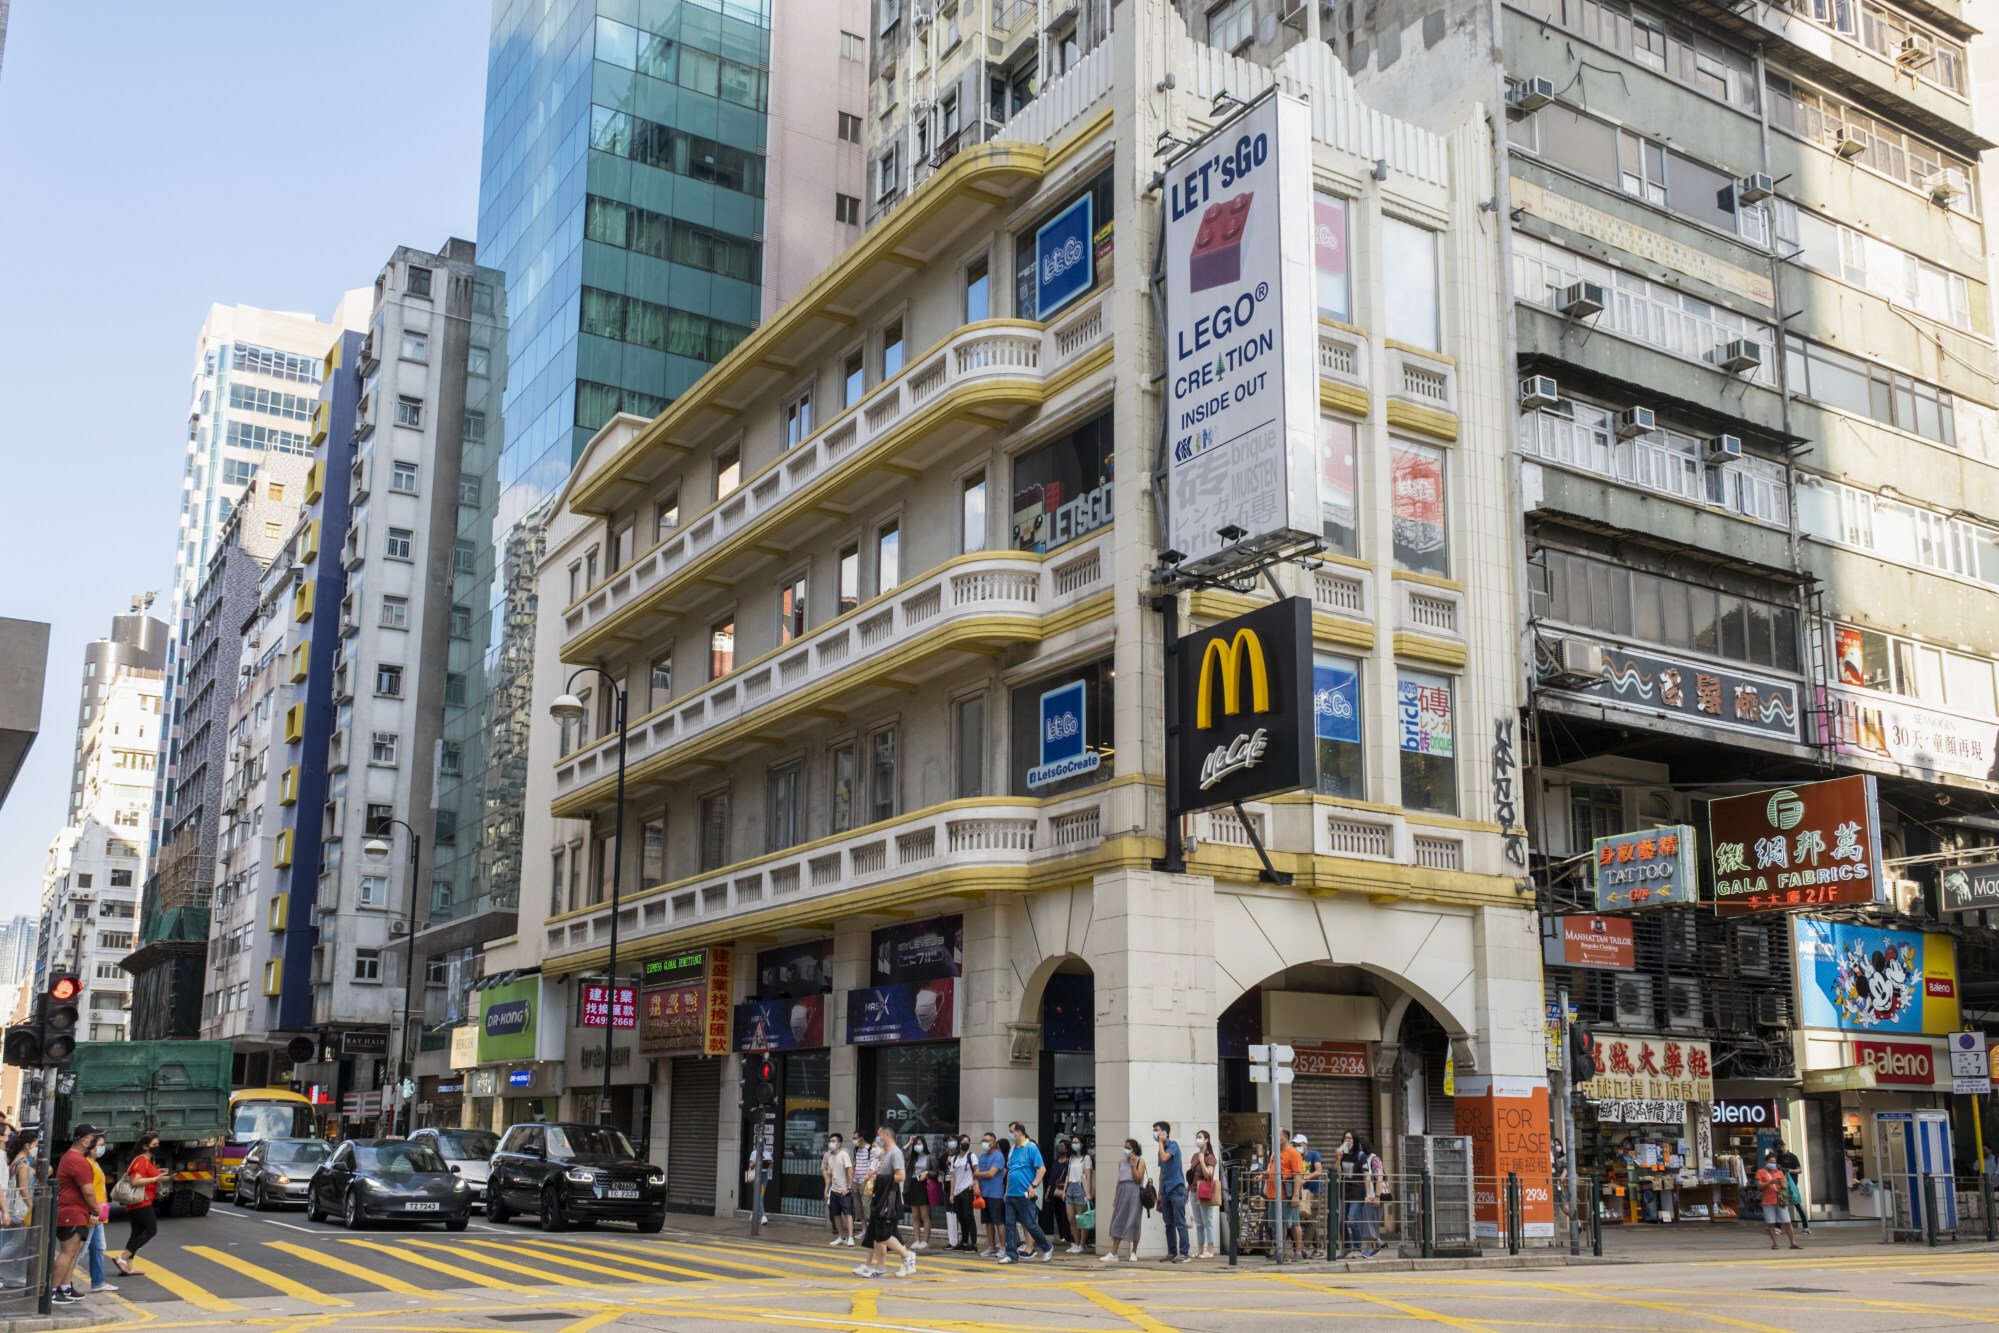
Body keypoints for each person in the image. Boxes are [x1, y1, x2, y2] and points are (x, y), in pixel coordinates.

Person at [855, 1125, 918, 1279]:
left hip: (890, 1199)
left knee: (883, 1234)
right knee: (878, 1235)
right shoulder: (885, 1154)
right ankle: (881, 1269)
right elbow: (886, 1174)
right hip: (881, 1197)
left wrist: (879, 1177)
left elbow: (901, 1176)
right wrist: (875, 1174)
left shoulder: (895, 1154)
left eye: (879, 1135)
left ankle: (907, 1255)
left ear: (886, 1136)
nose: (877, 1138)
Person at [50, 1124, 101, 1305]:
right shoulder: (76, 1160)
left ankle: (65, 1286)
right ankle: (53, 1290)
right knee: (67, 1251)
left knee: (74, 1250)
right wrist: (95, 1208)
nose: (97, 1142)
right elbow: (87, 1190)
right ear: (83, 1140)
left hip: (76, 1211)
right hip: (70, 1211)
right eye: (94, 1138)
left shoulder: (75, 1157)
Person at [1000, 1122, 1053, 1264]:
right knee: (1010, 1224)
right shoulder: (1013, 1149)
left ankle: (1047, 1247)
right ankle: (1011, 1255)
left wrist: (1033, 1186)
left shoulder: (1031, 1148)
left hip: (1025, 1194)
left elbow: (1042, 1169)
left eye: (1012, 1131)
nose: (1010, 1135)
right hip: (1011, 1194)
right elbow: (1011, 1171)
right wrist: (1006, 1191)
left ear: (1020, 1132)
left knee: (1029, 1224)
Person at [113, 1133, 161, 1277]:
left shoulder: (146, 1161)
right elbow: (135, 1181)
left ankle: (128, 1267)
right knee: (151, 1230)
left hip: (139, 1201)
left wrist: (158, 1175)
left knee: (137, 1233)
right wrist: (155, 1178)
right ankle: (122, 1257)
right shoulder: (141, 1160)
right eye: (154, 1145)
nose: (157, 1147)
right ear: (146, 1146)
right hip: (141, 1201)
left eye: (158, 1144)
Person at [0, 1130, 38, 1289]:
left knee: (15, 1242)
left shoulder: (15, 1160)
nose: (37, 1148)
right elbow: (23, 1187)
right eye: (36, 1145)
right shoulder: (23, 1163)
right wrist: (30, 1205)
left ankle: (10, 1275)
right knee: (17, 1242)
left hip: (14, 1207)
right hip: (19, 1209)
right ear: (27, 1145)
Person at [1102, 1138, 1145, 1263]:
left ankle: (1133, 1252)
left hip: (1135, 1191)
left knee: (1134, 1220)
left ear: (1134, 1149)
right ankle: (1113, 1252)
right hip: (1122, 1191)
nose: (1125, 1150)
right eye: (1125, 1147)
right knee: (1118, 1220)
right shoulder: (1121, 1162)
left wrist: (1132, 1164)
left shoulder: (1140, 1161)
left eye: (1128, 1147)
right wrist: (1116, 1197)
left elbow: (1138, 1179)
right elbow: (1119, 1180)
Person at [1265, 1130, 1305, 1258]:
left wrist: (1295, 1194)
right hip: (1273, 1194)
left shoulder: (1294, 1153)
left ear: (1285, 1137)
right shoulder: (1275, 1153)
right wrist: (1262, 1175)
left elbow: (1297, 1175)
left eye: (1278, 1135)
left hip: (1286, 1194)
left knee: (1294, 1223)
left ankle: (1298, 1252)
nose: (1275, 1138)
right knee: (1278, 1223)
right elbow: (1270, 1169)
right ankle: (1280, 1251)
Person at [1153, 1121, 1188, 1263]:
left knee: (1180, 1221)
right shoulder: (1160, 1148)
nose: (1155, 1133)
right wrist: (1160, 1193)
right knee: (1168, 1223)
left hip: (1176, 1188)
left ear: (1165, 1132)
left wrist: (1161, 1143)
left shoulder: (1173, 1145)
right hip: (1166, 1189)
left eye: (1157, 1130)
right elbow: (1162, 1171)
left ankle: (1184, 1253)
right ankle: (1172, 1252)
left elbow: (1165, 1157)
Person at [85, 1136, 115, 1294]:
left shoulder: (94, 1163)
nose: (103, 1148)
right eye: (101, 1145)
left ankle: (98, 1282)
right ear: (91, 1147)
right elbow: (87, 1190)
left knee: (98, 1247)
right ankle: (61, 1284)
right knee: (80, 1250)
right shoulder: (88, 1164)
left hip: (98, 1213)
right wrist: (93, 1210)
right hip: (93, 1213)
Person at [1348, 1134, 1385, 1259]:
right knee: (1365, 1224)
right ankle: (1379, 1244)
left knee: (1368, 1224)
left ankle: (1369, 1250)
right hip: (1364, 1196)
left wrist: (1377, 1197)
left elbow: (1379, 1177)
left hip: (1373, 1196)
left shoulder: (1374, 1159)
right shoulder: (1360, 1159)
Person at [1756, 1151, 1801, 1251]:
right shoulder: (1760, 1172)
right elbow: (1759, 1186)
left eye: (1774, 1162)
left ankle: (1793, 1243)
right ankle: (1775, 1244)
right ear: (1766, 1162)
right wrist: (1770, 1182)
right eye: (1771, 1162)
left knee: (1787, 1222)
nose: (1773, 1164)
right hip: (1768, 1201)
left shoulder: (1779, 1172)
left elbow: (1784, 1187)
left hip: (1780, 1200)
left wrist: (1780, 1184)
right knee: (1771, 1223)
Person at [1188, 1130, 1219, 1259]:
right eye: (1196, 1137)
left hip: (1204, 1191)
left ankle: (1210, 1250)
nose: (1197, 1140)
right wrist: (1187, 1190)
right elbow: (1191, 1176)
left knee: (1208, 1222)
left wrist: (1202, 1161)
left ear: (1206, 1139)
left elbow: (1209, 1175)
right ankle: (1200, 1249)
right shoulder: (1195, 1155)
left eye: (1200, 1137)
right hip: (1193, 1191)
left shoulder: (1210, 1157)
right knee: (1199, 1223)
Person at [975, 1132, 1007, 1256]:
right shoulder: (982, 1156)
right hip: (983, 1194)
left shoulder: (999, 1156)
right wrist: (977, 1187)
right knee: (987, 1222)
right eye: (983, 1140)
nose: (984, 1143)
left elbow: (990, 1174)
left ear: (993, 1142)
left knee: (998, 1222)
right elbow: (976, 1174)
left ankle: (1003, 1247)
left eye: (987, 1140)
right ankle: (991, 1247)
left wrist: (978, 1174)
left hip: (995, 1194)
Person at [822, 1133, 856, 1247]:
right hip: (834, 1191)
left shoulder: (844, 1154)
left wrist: (849, 1187)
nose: (831, 1143)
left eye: (833, 1141)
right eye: (830, 1141)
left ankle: (850, 1237)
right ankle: (841, 1237)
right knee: (836, 1215)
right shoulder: (830, 1157)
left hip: (844, 1191)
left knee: (848, 1214)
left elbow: (850, 1170)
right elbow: (829, 1176)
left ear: (839, 1143)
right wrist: (826, 1190)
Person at [1295, 1133, 1325, 1259]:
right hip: (1302, 1194)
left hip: (1314, 1193)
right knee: (1306, 1220)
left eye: (1299, 1144)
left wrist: (1306, 1177)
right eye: (1295, 1145)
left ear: (1305, 1144)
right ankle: (1318, 1248)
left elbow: (1319, 1170)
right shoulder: (1296, 1156)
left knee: (1310, 1220)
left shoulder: (1314, 1154)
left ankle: (1305, 1248)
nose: (1297, 1147)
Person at [1065, 1136, 1094, 1255]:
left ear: (1082, 1144)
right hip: (1071, 1187)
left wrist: (1088, 1193)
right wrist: (1064, 1190)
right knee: (1071, 1219)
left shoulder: (1086, 1158)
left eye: (1076, 1142)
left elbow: (1088, 1176)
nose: (1074, 1144)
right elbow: (1068, 1174)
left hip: (1080, 1187)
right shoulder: (1071, 1158)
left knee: (1081, 1218)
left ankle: (1082, 1244)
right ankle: (1076, 1243)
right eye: (1073, 1142)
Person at [949, 1136, 979, 1251]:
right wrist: (952, 1194)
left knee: (969, 1216)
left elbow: (977, 1170)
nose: (966, 1143)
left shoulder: (971, 1156)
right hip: (957, 1191)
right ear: (959, 1144)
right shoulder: (955, 1158)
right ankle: (965, 1241)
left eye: (967, 1142)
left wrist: (974, 1184)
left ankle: (974, 1243)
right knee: (961, 1218)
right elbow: (952, 1177)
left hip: (967, 1190)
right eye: (963, 1142)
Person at [1774, 1140, 1810, 1234]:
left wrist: (1789, 1170)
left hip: (1792, 1185)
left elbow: (1799, 1170)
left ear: (1784, 1145)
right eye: (1777, 1148)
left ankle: (1806, 1227)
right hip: (1782, 1185)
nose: (1779, 1149)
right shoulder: (1778, 1157)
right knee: (1781, 1204)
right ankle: (1778, 1227)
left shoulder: (1792, 1157)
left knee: (1797, 1205)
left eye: (1780, 1147)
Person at [906, 1137, 932, 1250]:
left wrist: (927, 1172)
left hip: (924, 1186)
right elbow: (901, 1154)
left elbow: (936, 1172)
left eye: (920, 1143)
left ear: (924, 1145)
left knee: (925, 1216)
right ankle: (916, 1240)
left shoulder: (929, 1157)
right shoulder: (912, 1157)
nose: (918, 1146)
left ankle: (925, 1241)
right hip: (913, 1185)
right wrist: (909, 1142)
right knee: (915, 1216)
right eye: (916, 1144)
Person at [851, 1127, 875, 1239]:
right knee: (859, 1207)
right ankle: (864, 1231)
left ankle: (871, 1231)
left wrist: (866, 1178)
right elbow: (855, 1165)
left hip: (865, 1183)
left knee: (866, 1206)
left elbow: (873, 1167)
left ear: (861, 1138)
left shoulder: (870, 1149)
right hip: (856, 1181)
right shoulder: (856, 1150)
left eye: (855, 1138)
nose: (854, 1140)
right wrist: (852, 1180)